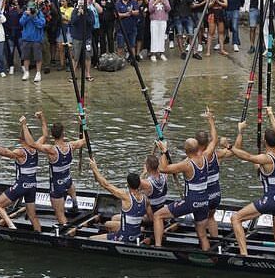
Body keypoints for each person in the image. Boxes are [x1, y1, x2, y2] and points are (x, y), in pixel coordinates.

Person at [228, 109, 275, 258]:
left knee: (236, 218)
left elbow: (247, 156)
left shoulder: (266, 158)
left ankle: (244, 254)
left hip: (270, 199)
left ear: (264, 142)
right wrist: (271, 114)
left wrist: (230, 147)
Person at [152, 121, 216, 251]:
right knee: (202, 235)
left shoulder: (186, 165)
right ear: (199, 148)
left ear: (186, 151)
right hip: (204, 202)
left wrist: (164, 151)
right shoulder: (206, 156)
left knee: (158, 215)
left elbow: (163, 169)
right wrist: (211, 121)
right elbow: (214, 140)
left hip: (190, 202)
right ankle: (209, 255)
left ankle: (157, 248)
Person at [23, 111, 87, 226]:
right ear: (63, 134)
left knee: (60, 214)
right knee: (69, 182)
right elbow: (84, 140)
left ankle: (67, 235)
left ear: (52, 135)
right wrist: (82, 123)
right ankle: (74, 201)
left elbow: (31, 143)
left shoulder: (51, 150)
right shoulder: (71, 146)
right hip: (67, 181)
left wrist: (25, 125)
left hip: (57, 186)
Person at [0, 116, 42, 231]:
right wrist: (42, 119)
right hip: (33, 186)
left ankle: (11, 226)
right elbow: (45, 135)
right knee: (32, 215)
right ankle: (39, 234)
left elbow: (4, 152)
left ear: (21, 139)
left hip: (21, 185)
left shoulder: (20, 152)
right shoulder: (36, 148)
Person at [88, 158, 153, 242]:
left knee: (90, 239)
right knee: (108, 224)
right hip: (137, 233)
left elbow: (105, 185)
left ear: (128, 185)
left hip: (124, 237)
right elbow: (151, 218)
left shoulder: (125, 196)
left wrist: (94, 168)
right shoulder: (145, 199)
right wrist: (144, 172)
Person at [195, 108, 232, 238]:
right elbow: (215, 140)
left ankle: (204, 247)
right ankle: (215, 242)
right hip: (216, 194)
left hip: (203, 197)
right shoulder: (218, 154)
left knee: (201, 221)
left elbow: (214, 140)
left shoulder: (197, 158)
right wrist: (211, 121)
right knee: (211, 218)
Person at [19, 0, 46, 82]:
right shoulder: (25, 14)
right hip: (26, 39)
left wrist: (34, 16)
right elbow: (21, 23)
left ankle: (38, 73)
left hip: (36, 39)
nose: (30, 10)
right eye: (29, 8)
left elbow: (41, 24)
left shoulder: (39, 14)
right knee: (25, 57)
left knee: (38, 57)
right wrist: (26, 15)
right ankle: (26, 72)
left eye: (32, 8)